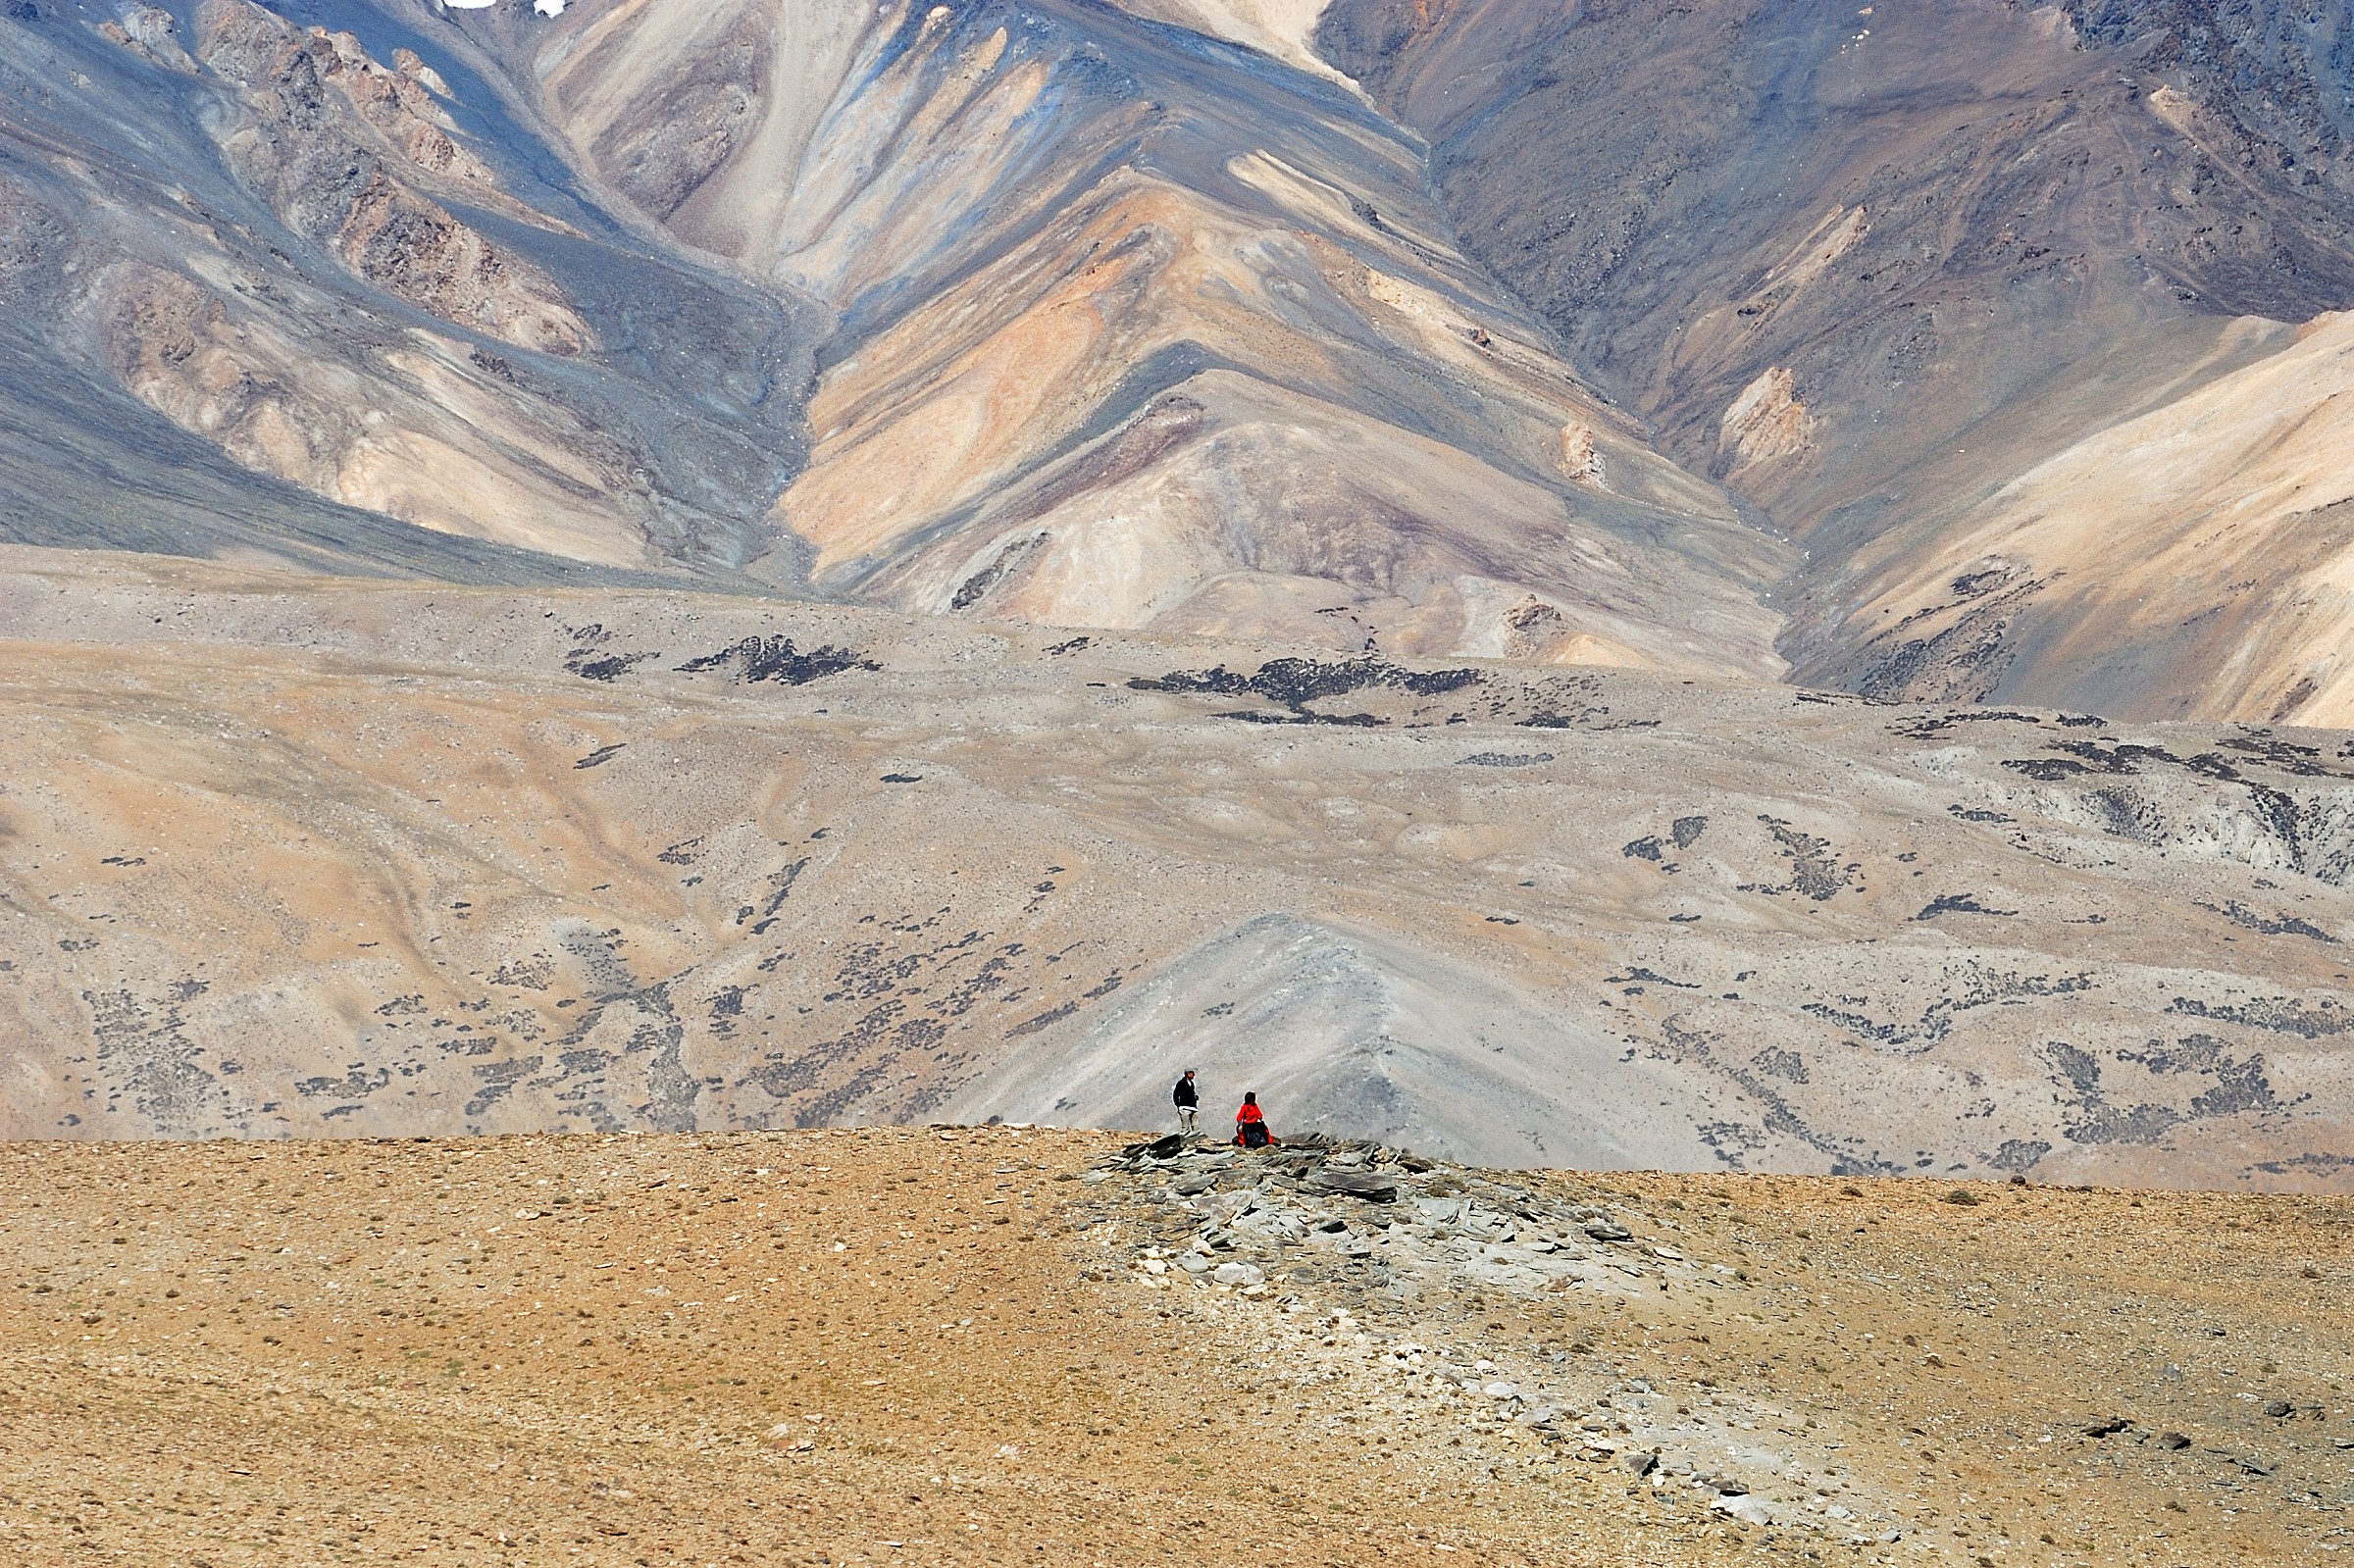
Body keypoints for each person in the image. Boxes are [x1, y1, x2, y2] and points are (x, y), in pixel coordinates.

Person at [1172, 1069, 1199, 1136]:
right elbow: (1176, 1094)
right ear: (1188, 1074)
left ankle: (1195, 1138)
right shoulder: (1181, 1083)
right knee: (1185, 1126)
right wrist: (1179, 1105)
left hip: (1192, 1108)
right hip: (1185, 1107)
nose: (1193, 1075)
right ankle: (1183, 1140)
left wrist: (1194, 1098)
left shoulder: (1191, 1084)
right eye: (1192, 1073)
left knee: (1195, 1125)